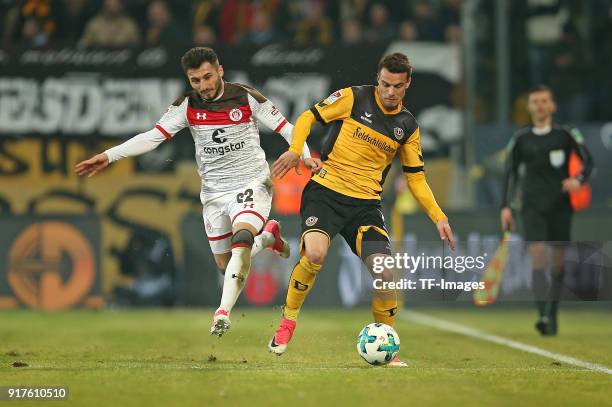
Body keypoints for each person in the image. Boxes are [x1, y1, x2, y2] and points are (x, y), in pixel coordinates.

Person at [75, 47, 322, 337]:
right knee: (225, 265)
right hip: (214, 194)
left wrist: (303, 154)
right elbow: (153, 137)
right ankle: (268, 237)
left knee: (241, 240)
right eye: (195, 80)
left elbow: (287, 128)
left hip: (252, 183)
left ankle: (222, 313)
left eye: (207, 77)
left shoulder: (246, 97)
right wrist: (109, 155)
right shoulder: (186, 106)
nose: (203, 86)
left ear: (220, 70)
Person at [269, 53, 454, 367]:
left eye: (397, 86)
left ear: (407, 84)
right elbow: (306, 118)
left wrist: (438, 216)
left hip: (365, 206)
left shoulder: (407, 126)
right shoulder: (354, 97)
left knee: (384, 273)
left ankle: (387, 346)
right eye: (385, 84)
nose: (390, 91)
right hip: (325, 193)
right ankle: (288, 321)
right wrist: (294, 150)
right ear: (377, 78)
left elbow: (416, 178)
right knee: (314, 255)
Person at [500, 85, 593, 336]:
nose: (540, 106)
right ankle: (542, 315)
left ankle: (552, 312)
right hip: (532, 206)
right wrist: (506, 206)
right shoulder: (521, 138)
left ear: (552, 106)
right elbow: (509, 173)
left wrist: (579, 180)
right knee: (539, 255)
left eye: (544, 101)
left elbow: (588, 160)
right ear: (529, 107)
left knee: (558, 263)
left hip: (561, 206)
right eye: (535, 102)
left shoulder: (565, 135)